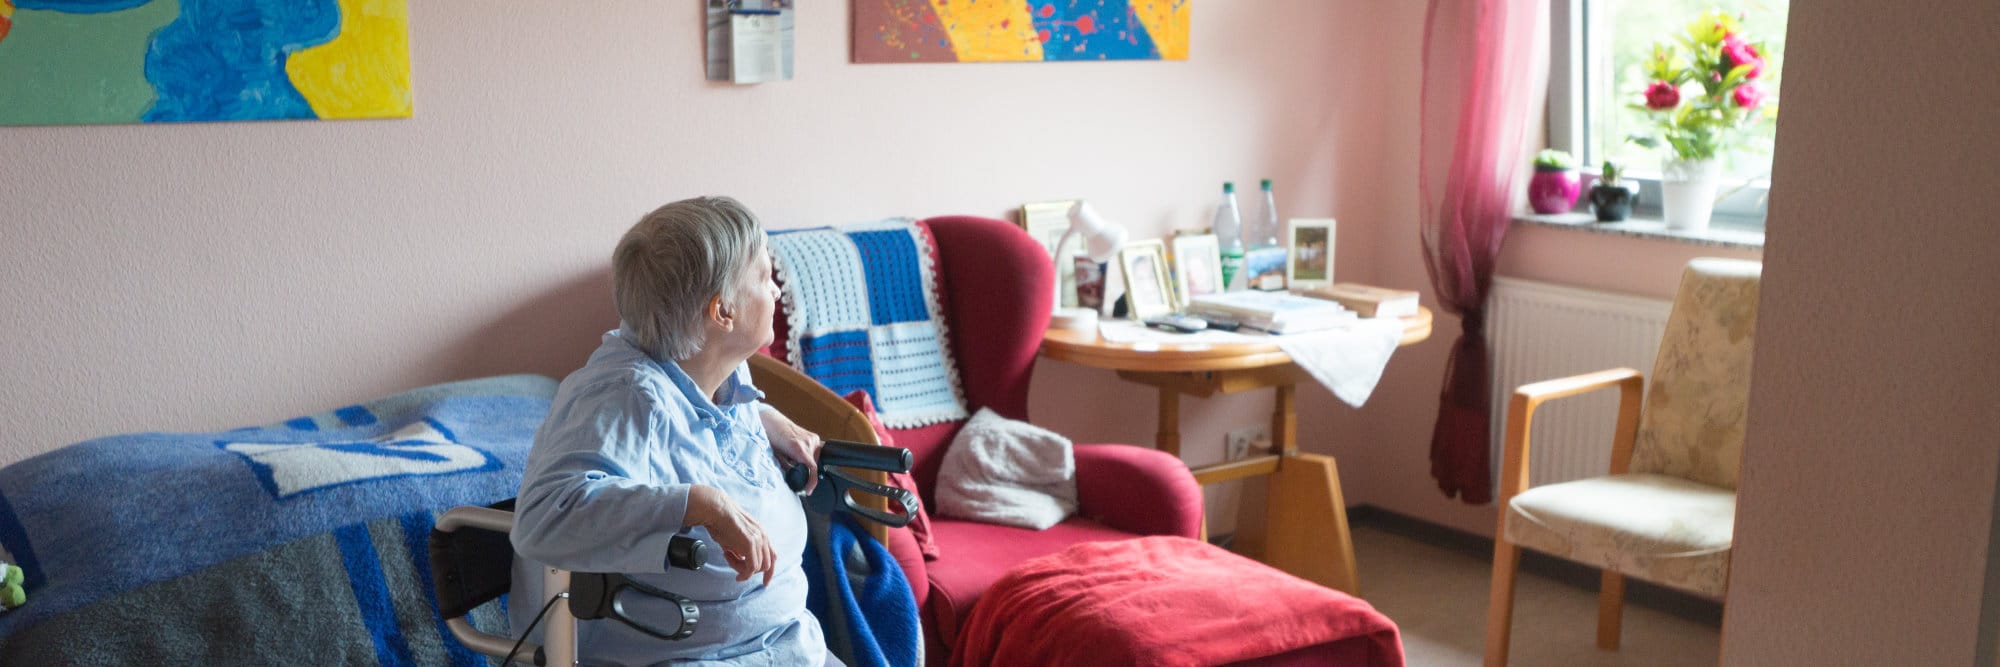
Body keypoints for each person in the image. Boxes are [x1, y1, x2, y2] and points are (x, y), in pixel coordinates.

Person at [509, 196, 835, 666]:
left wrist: (770, 422)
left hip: (787, 646)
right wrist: (702, 504)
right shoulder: (623, 395)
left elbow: (686, 422)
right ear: (722, 312)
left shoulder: (717, 373)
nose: (777, 291)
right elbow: (544, 517)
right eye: (764, 277)